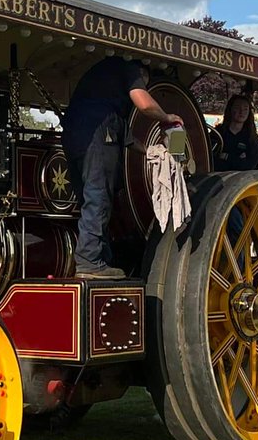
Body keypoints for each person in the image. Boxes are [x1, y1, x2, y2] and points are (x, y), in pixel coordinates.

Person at [61, 57, 183, 279]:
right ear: (143, 74)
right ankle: (90, 261)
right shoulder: (130, 69)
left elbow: (125, 136)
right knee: (99, 197)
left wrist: (150, 151)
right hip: (98, 136)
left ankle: (101, 259)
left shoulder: (104, 86)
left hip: (74, 136)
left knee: (89, 199)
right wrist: (167, 118)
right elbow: (145, 104)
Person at [214, 95, 258, 171]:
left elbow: (250, 165)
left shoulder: (251, 136)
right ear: (230, 109)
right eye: (237, 108)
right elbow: (212, 160)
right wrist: (239, 159)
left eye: (245, 109)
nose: (241, 112)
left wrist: (226, 156)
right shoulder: (218, 133)